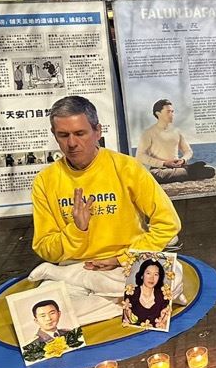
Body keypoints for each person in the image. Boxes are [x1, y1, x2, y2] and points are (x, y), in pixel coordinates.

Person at [31, 96, 181, 269]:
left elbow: (168, 223)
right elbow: (45, 248)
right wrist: (77, 230)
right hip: (76, 266)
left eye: (80, 134)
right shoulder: (45, 181)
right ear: (54, 135)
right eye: (63, 135)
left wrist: (122, 259)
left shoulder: (128, 168)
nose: (71, 143)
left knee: (171, 279)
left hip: (129, 260)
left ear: (98, 131)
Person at [136, 99, 216, 184]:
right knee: (153, 175)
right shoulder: (148, 133)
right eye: (168, 112)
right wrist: (164, 163)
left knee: (211, 171)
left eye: (172, 112)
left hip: (178, 166)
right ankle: (189, 172)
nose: (172, 114)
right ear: (158, 114)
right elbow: (140, 156)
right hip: (159, 169)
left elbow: (188, 151)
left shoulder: (176, 131)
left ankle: (185, 172)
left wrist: (183, 160)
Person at [122, 258, 171, 329]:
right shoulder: (129, 293)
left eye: (156, 274)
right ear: (142, 275)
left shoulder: (164, 296)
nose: (152, 278)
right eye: (148, 273)